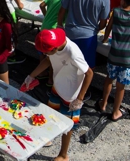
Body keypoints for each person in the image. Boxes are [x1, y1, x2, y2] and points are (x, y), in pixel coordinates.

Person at [24, 28, 93, 161]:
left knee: (68, 125)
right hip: (58, 85)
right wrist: (31, 75)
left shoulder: (72, 53)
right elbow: (48, 60)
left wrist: (80, 98)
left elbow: (89, 73)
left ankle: (63, 154)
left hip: (71, 94)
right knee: (52, 114)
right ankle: (49, 137)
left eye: (46, 52)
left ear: (54, 48)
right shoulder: (54, 42)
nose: (45, 54)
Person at [58, 0, 110, 69]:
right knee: (86, 68)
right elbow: (103, 23)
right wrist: (97, 29)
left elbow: (62, 9)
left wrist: (59, 25)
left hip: (69, 34)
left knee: (65, 64)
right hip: (88, 38)